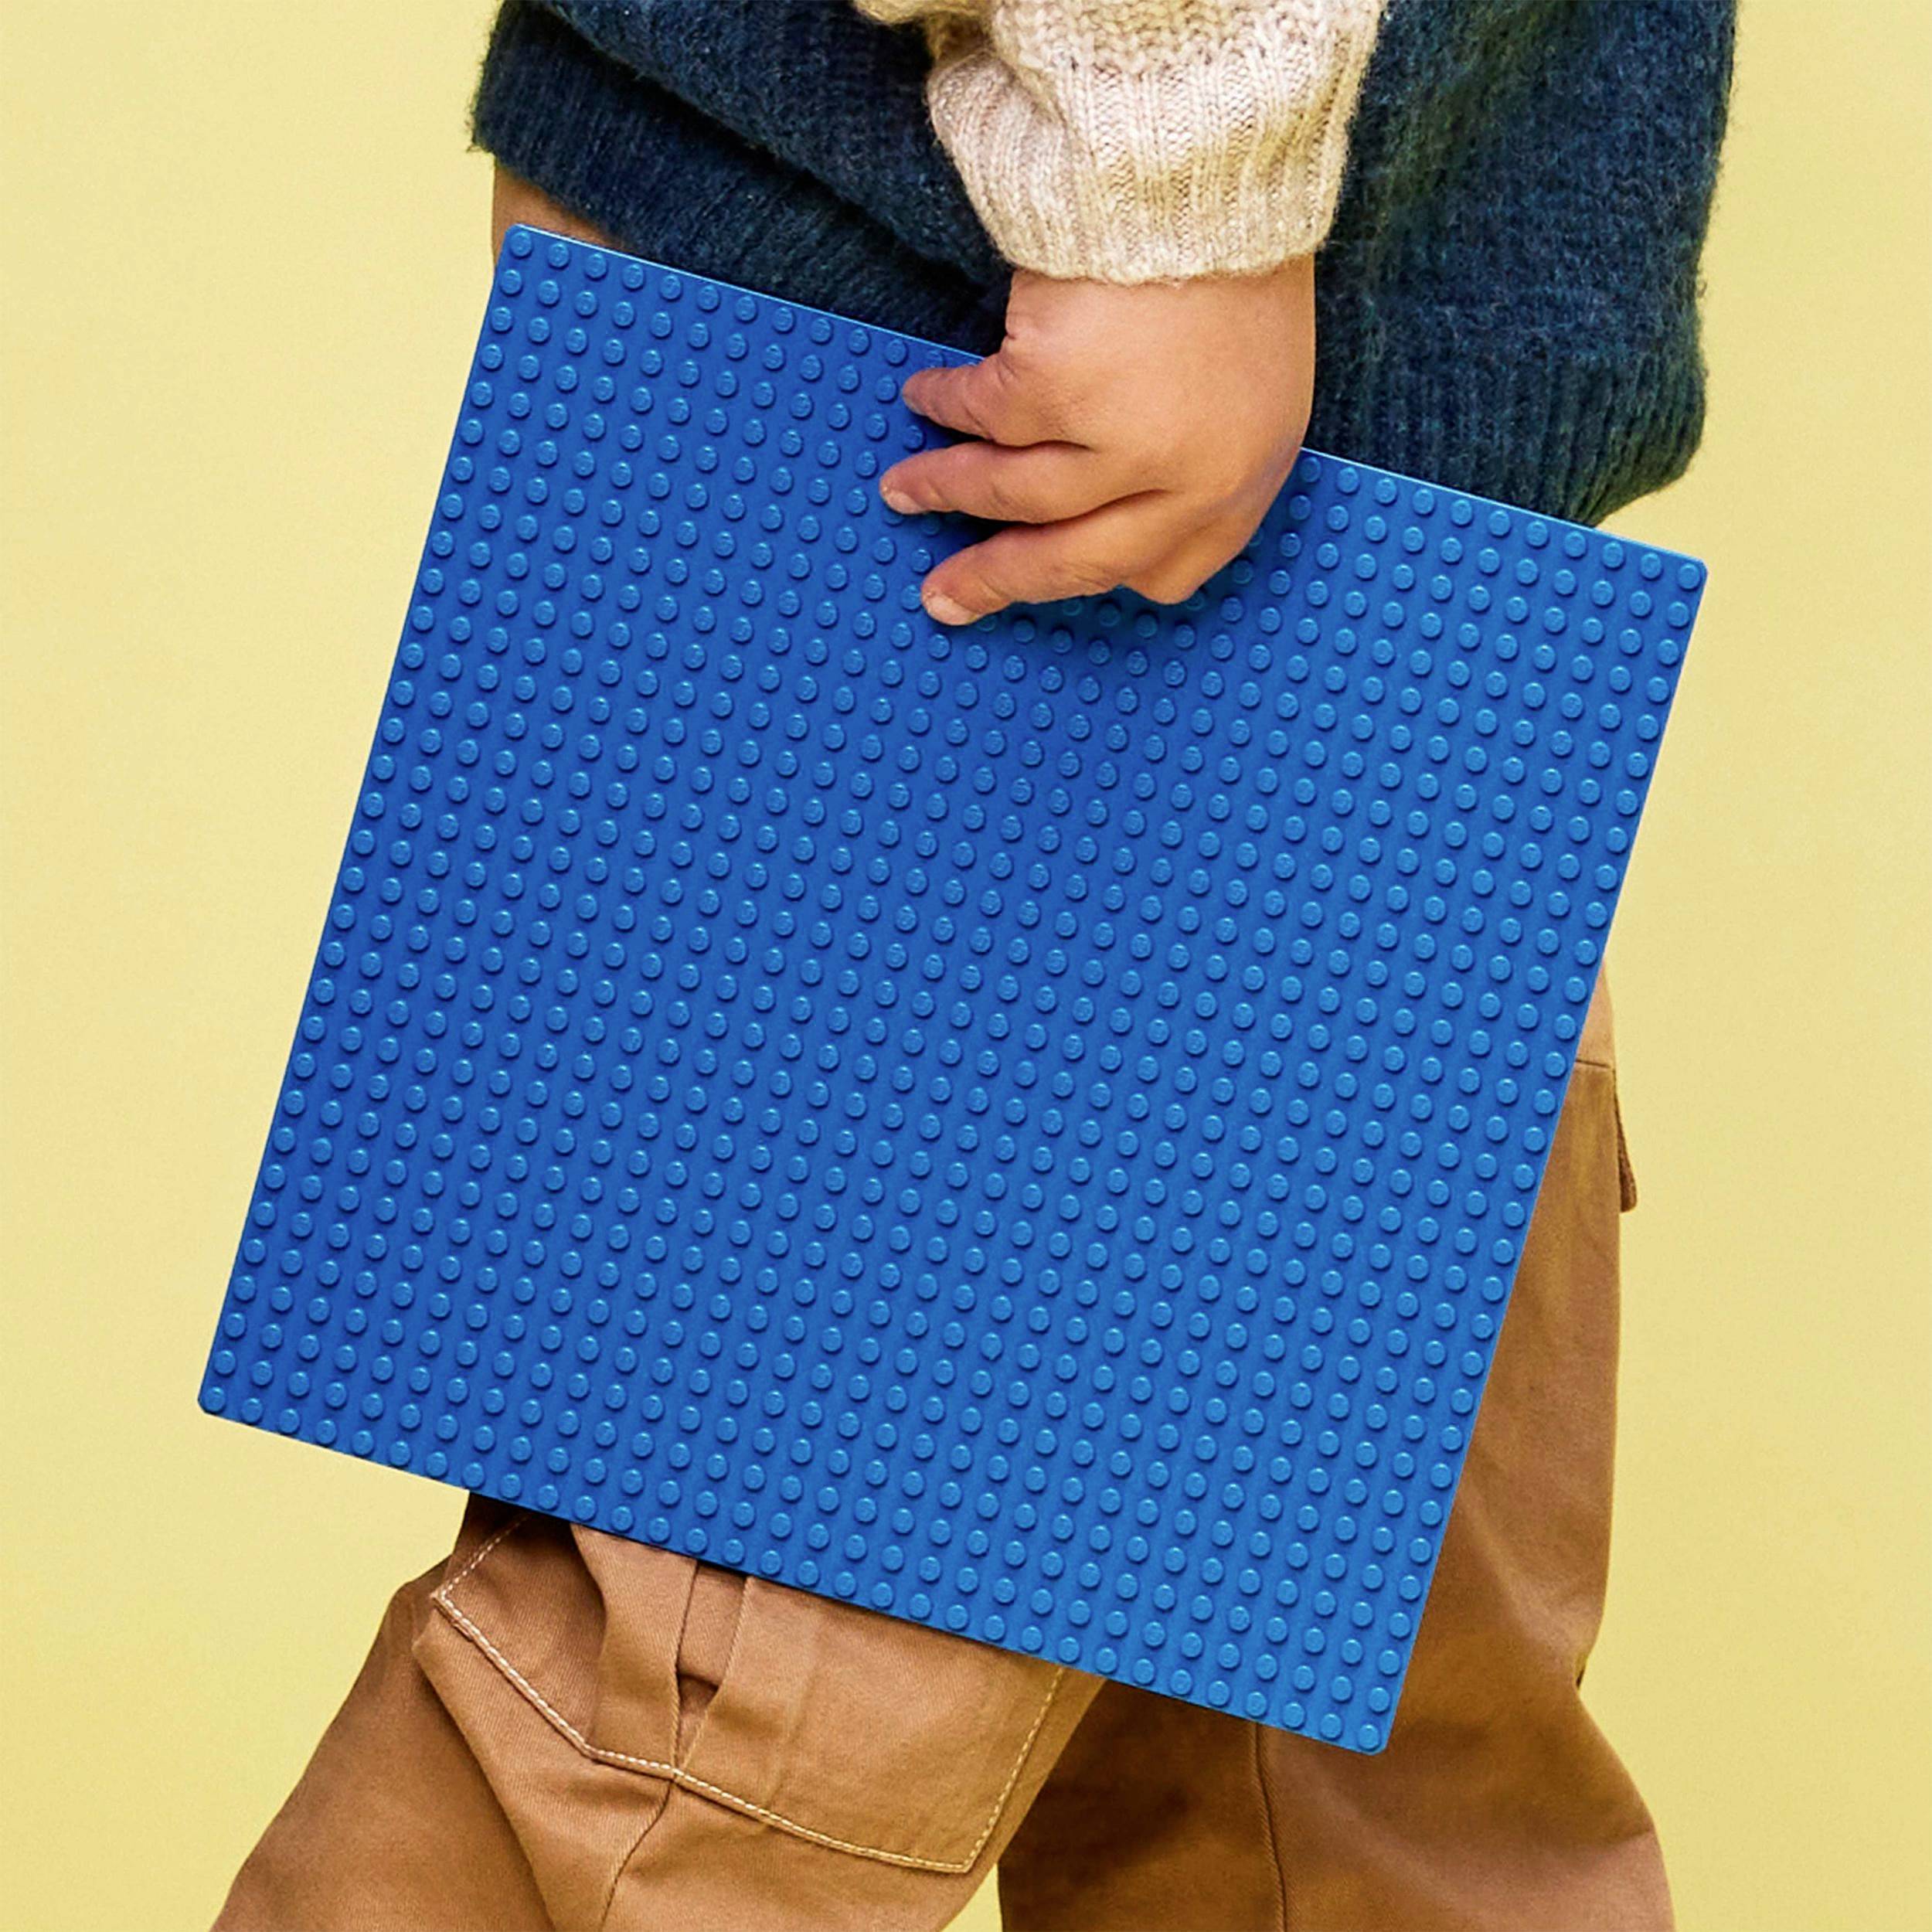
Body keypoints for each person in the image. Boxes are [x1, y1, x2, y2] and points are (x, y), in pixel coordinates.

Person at [216, 2, 1733, 1926]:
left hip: (1367, 528)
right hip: (1015, 360)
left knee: (1366, 1810)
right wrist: (1166, 171)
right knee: (723, 1742)